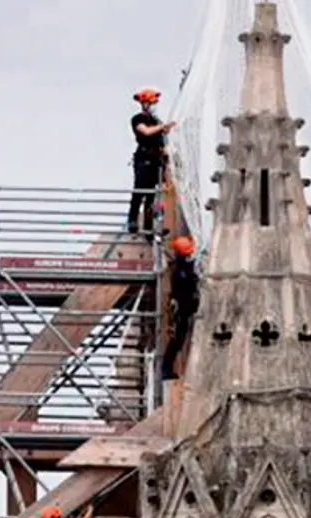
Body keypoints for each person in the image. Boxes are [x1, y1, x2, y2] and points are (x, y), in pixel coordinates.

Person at [128, 87, 175, 235]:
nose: (154, 106)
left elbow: (162, 140)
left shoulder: (156, 121)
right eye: (152, 103)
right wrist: (162, 127)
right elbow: (146, 131)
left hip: (156, 160)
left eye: (155, 103)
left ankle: (149, 227)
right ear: (145, 104)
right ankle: (133, 221)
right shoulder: (138, 119)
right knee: (140, 190)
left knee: (152, 196)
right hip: (144, 160)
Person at [162, 236, 200, 380]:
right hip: (182, 308)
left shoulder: (180, 267)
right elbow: (186, 288)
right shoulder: (181, 271)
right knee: (177, 340)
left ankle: (166, 368)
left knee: (178, 339)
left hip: (184, 307)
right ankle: (166, 369)